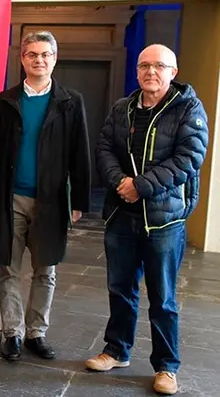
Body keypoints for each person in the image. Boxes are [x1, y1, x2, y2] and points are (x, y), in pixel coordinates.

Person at [85, 44, 208, 396]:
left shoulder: (188, 109)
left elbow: (189, 157)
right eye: (144, 66)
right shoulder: (122, 108)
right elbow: (105, 147)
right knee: (120, 289)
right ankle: (116, 350)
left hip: (164, 221)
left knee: (163, 297)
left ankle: (167, 367)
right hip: (122, 215)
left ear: (174, 71)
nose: (150, 72)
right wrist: (120, 183)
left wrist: (140, 186)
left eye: (159, 66)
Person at [0, 31, 91, 361]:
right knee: (8, 269)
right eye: (32, 54)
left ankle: (37, 332)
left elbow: (80, 153)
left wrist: (80, 202)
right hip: (10, 198)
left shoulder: (70, 102)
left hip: (52, 200)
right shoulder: (3, 102)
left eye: (45, 55)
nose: (39, 60)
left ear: (54, 58)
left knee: (46, 270)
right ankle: (12, 333)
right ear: (23, 59)